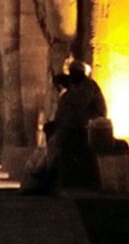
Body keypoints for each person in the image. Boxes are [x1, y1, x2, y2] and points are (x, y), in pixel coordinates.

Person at [42, 55, 110, 193]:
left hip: (89, 127)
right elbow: (65, 109)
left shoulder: (88, 86)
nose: (72, 76)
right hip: (73, 126)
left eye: (75, 74)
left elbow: (79, 104)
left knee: (69, 145)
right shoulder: (72, 89)